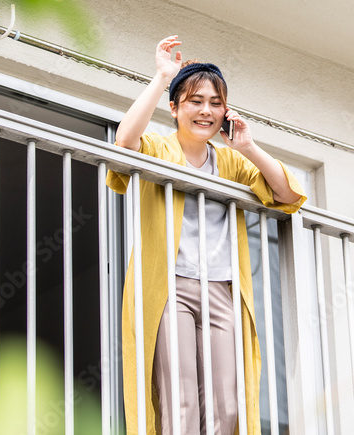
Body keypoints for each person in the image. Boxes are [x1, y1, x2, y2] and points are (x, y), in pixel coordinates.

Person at [107, 35, 306, 435]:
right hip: (169, 286)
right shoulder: (160, 147)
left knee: (227, 405)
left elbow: (287, 194)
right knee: (179, 401)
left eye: (216, 103)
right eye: (196, 101)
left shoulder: (231, 161)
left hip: (223, 288)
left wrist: (248, 146)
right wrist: (163, 76)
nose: (206, 111)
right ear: (175, 107)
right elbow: (125, 143)